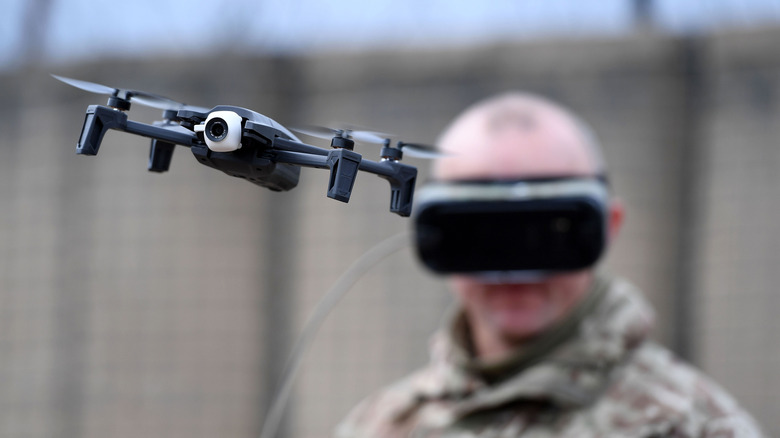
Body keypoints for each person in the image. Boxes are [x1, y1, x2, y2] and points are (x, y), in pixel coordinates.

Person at [335, 92, 764, 437]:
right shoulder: (382, 425)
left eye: (550, 231)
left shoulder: (690, 426)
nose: (516, 270)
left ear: (607, 226)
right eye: (482, 234)